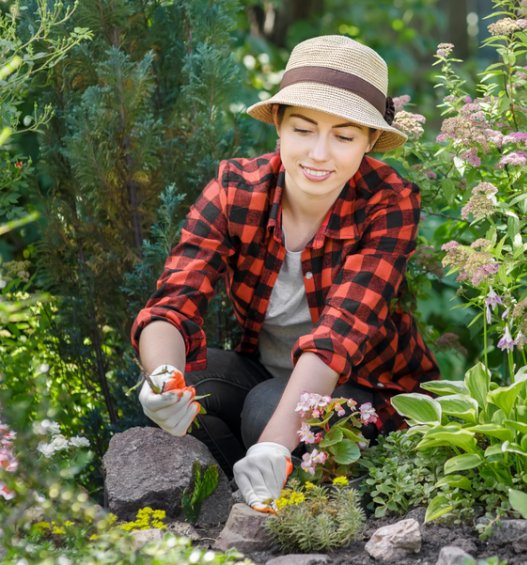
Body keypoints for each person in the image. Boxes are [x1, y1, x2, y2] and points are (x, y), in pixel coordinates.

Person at [131, 35, 439, 513]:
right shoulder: (237, 189)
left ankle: (280, 480)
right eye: (303, 129)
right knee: (195, 381)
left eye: (343, 136)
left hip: (362, 390)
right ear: (277, 123)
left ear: (370, 141)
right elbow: (175, 299)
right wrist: (162, 379)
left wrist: (274, 441)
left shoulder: (389, 201)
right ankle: (242, 497)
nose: (319, 154)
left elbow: (338, 336)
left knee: (266, 412)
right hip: (264, 374)